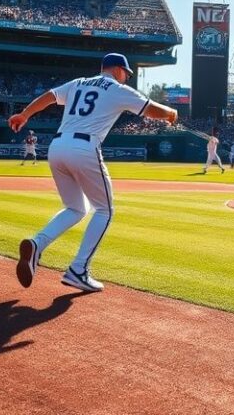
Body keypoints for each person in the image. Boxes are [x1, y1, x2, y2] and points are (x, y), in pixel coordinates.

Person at [11, 53, 177, 293]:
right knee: (105, 210)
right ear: (118, 69)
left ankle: (37, 243)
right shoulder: (116, 88)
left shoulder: (79, 82)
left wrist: (24, 114)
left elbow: (49, 96)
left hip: (57, 147)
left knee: (76, 208)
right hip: (84, 147)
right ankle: (78, 269)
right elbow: (150, 109)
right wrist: (171, 113)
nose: (126, 78)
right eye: (126, 73)